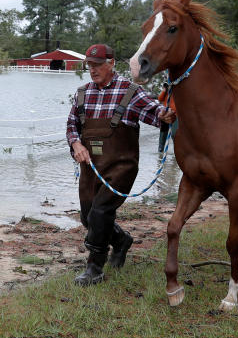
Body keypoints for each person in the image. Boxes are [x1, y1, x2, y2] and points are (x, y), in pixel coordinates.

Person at [66, 43, 176, 286]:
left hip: (121, 167)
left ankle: (94, 268)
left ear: (111, 63)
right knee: (87, 217)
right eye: (89, 65)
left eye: (97, 65)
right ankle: (122, 241)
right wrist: (76, 145)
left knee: (101, 212)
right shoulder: (82, 93)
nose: (92, 70)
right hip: (90, 167)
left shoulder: (130, 92)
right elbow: (72, 125)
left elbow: (155, 111)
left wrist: (165, 114)